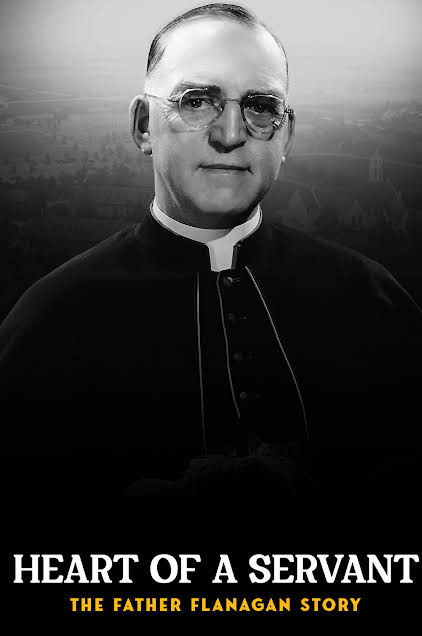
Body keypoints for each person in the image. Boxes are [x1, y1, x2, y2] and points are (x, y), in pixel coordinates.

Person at [0, 4, 421, 507]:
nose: (230, 134)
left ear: (286, 136)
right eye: (197, 101)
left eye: (261, 107)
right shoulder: (51, 320)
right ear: (143, 125)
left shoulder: (369, 298)